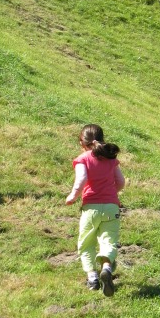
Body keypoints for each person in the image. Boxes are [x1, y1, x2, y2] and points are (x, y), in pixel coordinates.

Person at [65, 124, 125, 296]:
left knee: (86, 243)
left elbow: (82, 179)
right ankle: (106, 267)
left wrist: (73, 196)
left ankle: (92, 277)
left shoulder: (83, 158)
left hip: (91, 207)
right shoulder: (111, 159)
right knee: (109, 241)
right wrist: (112, 194)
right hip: (111, 207)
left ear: (82, 143)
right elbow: (120, 182)